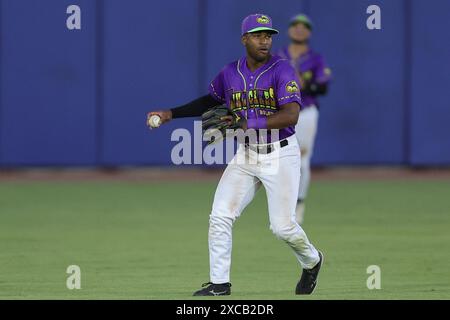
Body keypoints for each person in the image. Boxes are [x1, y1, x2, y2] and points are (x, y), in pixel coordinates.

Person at [148, 13, 322, 296]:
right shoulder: (231, 72)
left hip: (280, 155)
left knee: (282, 228)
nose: (264, 40)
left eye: (268, 35)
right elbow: (211, 100)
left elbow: (291, 115)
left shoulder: (282, 70)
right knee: (220, 215)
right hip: (247, 154)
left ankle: (312, 261)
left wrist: (245, 123)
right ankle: (219, 284)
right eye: (257, 35)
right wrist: (171, 114)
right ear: (244, 39)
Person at [278, 14, 332, 224]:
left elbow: (323, 87)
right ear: (290, 30)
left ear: (309, 32)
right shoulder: (279, 56)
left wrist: (305, 85)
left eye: (304, 27)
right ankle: (283, 203)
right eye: (295, 26)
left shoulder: (315, 58)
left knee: (301, 159)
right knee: (279, 158)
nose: (299, 30)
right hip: (281, 112)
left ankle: (298, 204)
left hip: (305, 111)